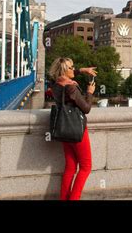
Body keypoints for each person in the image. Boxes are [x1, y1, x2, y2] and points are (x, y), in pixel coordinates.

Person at [49, 57, 97, 200]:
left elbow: (71, 73)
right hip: (77, 130)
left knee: (70, 167)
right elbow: (86, 108)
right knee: (86, 167)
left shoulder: (56, 85)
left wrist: (83, 70)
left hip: (64, 128)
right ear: (64, 70)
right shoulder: (71, 87)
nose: (73, 69)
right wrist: (89, 92)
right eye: (71, 67)